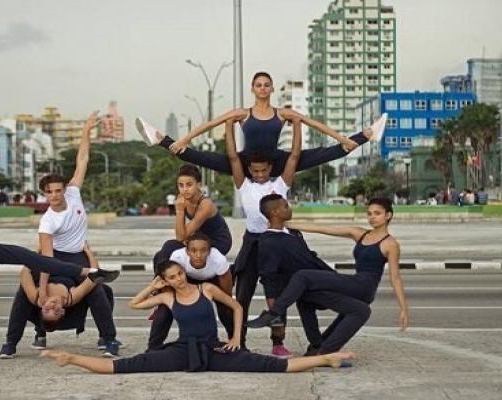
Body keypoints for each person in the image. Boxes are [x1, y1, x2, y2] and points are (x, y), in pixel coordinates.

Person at [40, 260, 357, 374]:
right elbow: (134, 305)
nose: (178, 279)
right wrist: (155, 285)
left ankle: (325, 359)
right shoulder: (167, 295)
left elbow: (235, 307)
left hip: (215, 348)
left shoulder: (205, 289)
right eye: (172, 277)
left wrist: (235, 338)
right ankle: (70, 358)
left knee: (270, 366)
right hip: (181, 350)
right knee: (127, 366)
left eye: (179, 274)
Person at [135, 71, 386, 179]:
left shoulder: (282, 112)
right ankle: (159, 138)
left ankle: (368, 134)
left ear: (272, 89)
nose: (263, 88)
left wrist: (342, 138)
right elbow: (210, 124)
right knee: (194, 155)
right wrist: (184, 139)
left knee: (330, 152)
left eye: (267, 85)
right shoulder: (242, 113)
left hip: (277, 161)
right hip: (245, 162)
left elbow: (313, 123)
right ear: (253, 89)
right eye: (258, 85)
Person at [248, 197, 409, 355]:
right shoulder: (359, 233)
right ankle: (318, 347)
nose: (372, 217)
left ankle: (273, 314)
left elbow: (395, 277)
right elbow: (322, 229)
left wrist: (403, 309)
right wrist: (285, 225)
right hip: (355, 282)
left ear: (388, 215)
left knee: (303, 276)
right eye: (369, 213)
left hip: (365, 287)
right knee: (309, 299)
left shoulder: (390, 244)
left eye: (377, 213)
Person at [36, 111, 123, 355]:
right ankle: (40, 333)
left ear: (64, 189)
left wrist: (86, 131)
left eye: (58, 190)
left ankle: (107, 339)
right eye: (49, 192)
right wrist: (42, 290)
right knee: (95, 288)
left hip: (80, 255)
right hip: (61, 260)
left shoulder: (73, 193)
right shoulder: (47, 222)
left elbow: (82, 159)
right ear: (45, 194)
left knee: (104, 291)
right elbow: (46, 259)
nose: (55, 194)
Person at [225, 116, 302, 357]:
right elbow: (232, 157)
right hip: (252, 243)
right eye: (255, 170)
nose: (259, 174)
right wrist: (228, 126)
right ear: (249, 169)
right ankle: (239, 340)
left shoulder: (280, 185)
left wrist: (297, 125)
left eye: (264, 170)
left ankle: (278, 342)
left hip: (276, 245)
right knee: (242, 295)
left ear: (270, 168)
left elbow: (294, 157)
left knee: (277, 298)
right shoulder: (244, 185)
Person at [0, 244, 118, 359]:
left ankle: (11, 343)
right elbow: (94, 275)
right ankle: (109, 340)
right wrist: (88, 252)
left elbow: (25, 273)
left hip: (46, 266)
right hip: (72, 266)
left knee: (23, 292)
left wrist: (37, 253)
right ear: (62, 312)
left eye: (47, 309)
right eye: (55, 311)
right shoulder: (72, 297)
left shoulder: (35, 297)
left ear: (41, 308)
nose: (52, 305)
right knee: (99, 289)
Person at [149, 232, 233, 350]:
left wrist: (225, 303)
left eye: (203, 251)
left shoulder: (218, 260)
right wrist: (165, 299)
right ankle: (153, 348)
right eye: (193, 250)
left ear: (209, 251)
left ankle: (237, 344)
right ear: (187, 252)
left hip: (212, 280)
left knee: (226, 309)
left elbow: (227, 291)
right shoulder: (178, 257)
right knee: (164, 310)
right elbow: (171, 280)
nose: (198, 255)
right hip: (186, 279)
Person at [173, 164, 233, 255]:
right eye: (181, 185)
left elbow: (180, 237)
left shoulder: (205, 204)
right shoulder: (182, 201)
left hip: (218, 242)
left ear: (198, 185)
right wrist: (188, 238)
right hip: (199, 239)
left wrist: (179, 210)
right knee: (169, 247)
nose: (185, 189)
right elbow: (182, 235)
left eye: (189, 185)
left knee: (173, 248)